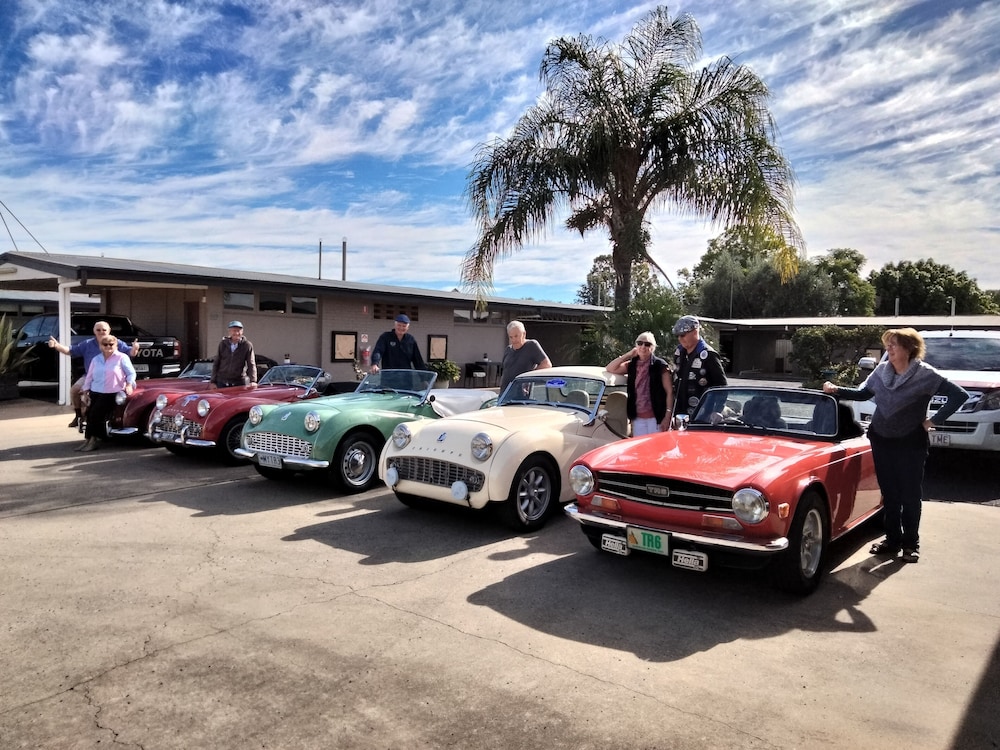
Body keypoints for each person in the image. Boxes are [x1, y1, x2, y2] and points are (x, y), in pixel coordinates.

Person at [823, 327, 967, 564]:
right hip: (881, 438)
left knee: (910, 495)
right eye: (887, 344)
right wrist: (836, 389)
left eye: (893, 344)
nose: (888, 348)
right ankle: (892, 541)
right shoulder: (881, 371)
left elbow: (959, 396)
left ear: (909, 349)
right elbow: (863, 394)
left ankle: (911, 544)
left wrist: (932, 421)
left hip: (911, 441)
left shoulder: (925, 374)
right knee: (889, 494)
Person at [48, 320, 138, 428]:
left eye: (104, 330)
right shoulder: (87, 344)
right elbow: (70, 350)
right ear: (94, 331)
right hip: (91, 376)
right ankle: (78, 416)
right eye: (98, 330)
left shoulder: (115, 342)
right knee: (75, 390)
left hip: (112, 380)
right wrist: (57, 346)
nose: (101, 332)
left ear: (109, 330)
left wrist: (135, 349)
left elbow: (130, 353)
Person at [605, 331, 674, 436]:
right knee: (640, 445)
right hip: (638, 418)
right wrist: (628, 355)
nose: (643, 347)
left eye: (647, 344)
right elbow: (610, 368)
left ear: (653, 347)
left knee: (655, 445)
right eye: (640, 343)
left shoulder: (660, 365)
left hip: (657, 418)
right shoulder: (632, 365)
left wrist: (667, 417)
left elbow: (669, 392)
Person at [77, 335, 137, 452]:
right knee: (89, 415)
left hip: (112, 392)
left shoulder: (122, 357)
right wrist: (85, 390)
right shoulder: (96, 359)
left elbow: (131, 373)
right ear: (100, 346)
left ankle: (94, 440)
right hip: (96, 391)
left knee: (95, 415)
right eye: (105, 344)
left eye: (111, 344)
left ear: (116, 345)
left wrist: (129, 384)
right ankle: (88, 440)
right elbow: (89, 376)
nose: (108, 346)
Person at [671, 315, 727, 420]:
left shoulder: (709, 354)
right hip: (679, 412)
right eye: (678, 336)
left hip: (702, 413)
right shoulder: (679, 353)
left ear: (694, 331)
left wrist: (717, 410)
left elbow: (722, 386)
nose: (680, 339)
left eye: (683, 335)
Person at [499, 320, 552, 392]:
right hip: (505, 393)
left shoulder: (531, 345)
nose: (514, 340)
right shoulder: (508, 349)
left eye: (516, 336)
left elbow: (546, 364)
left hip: (522, 394)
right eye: (511, 337)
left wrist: (528, 378)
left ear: (524, 334)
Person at [211, 321, 257, 389]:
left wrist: (253, 381)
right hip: (222, 381)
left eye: (238, 331)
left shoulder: (247, 345)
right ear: (229, 332)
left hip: (238, 381)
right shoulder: (223, 344)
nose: (236, 333)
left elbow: (251, 363)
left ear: (242, 332)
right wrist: (213, 381)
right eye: (234, 331)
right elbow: (216, 362)